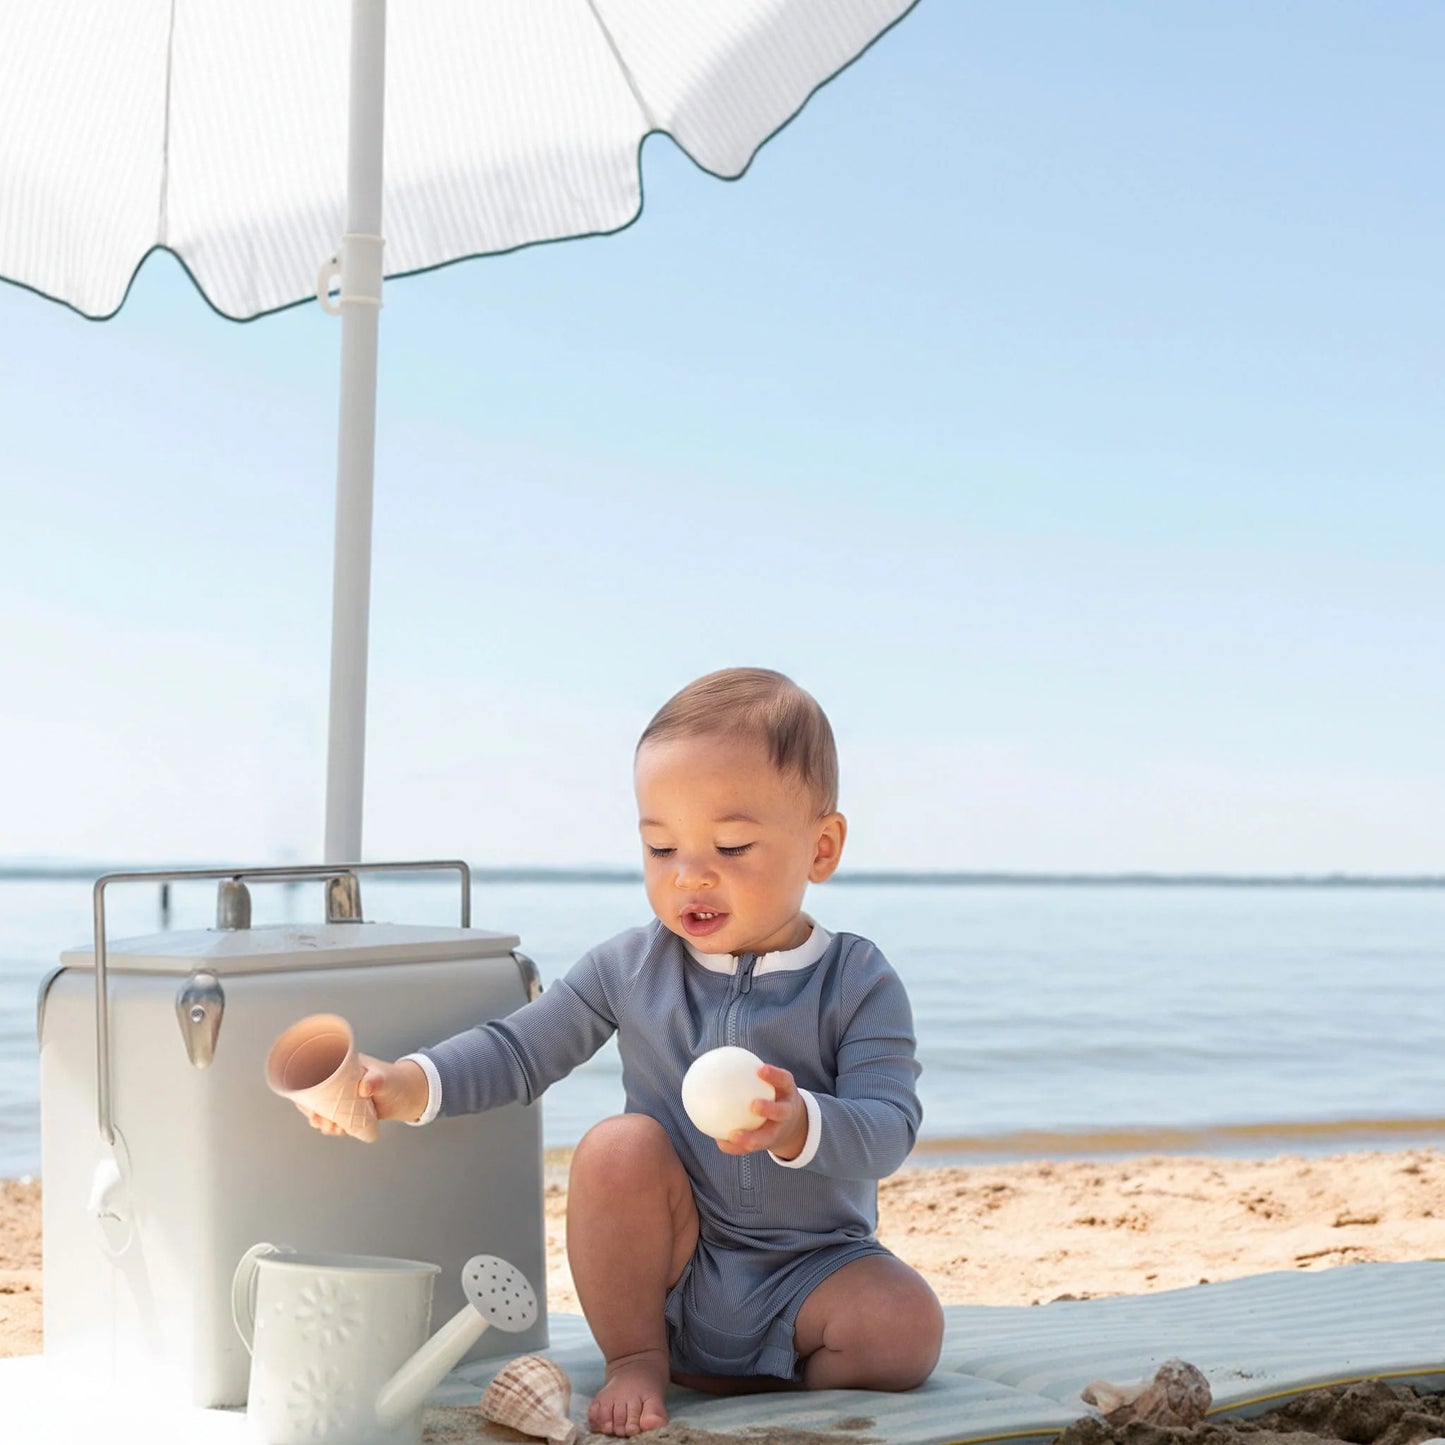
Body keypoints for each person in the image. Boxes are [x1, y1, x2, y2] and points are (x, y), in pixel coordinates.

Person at [300, 667, 943, 1434]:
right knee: (615, 1144)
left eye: (731, 845)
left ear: (822, 846)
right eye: (659, 846)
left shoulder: (858, 980)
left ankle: (787, 1375)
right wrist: (408, 1082)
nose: (689, 874)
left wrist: (799, 1120)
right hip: (675, 1271)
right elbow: (518, 1050)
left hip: (813, 1269)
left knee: (908, 1329)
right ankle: (637, 1356)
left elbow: (887, 1125)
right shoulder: (629, 966)